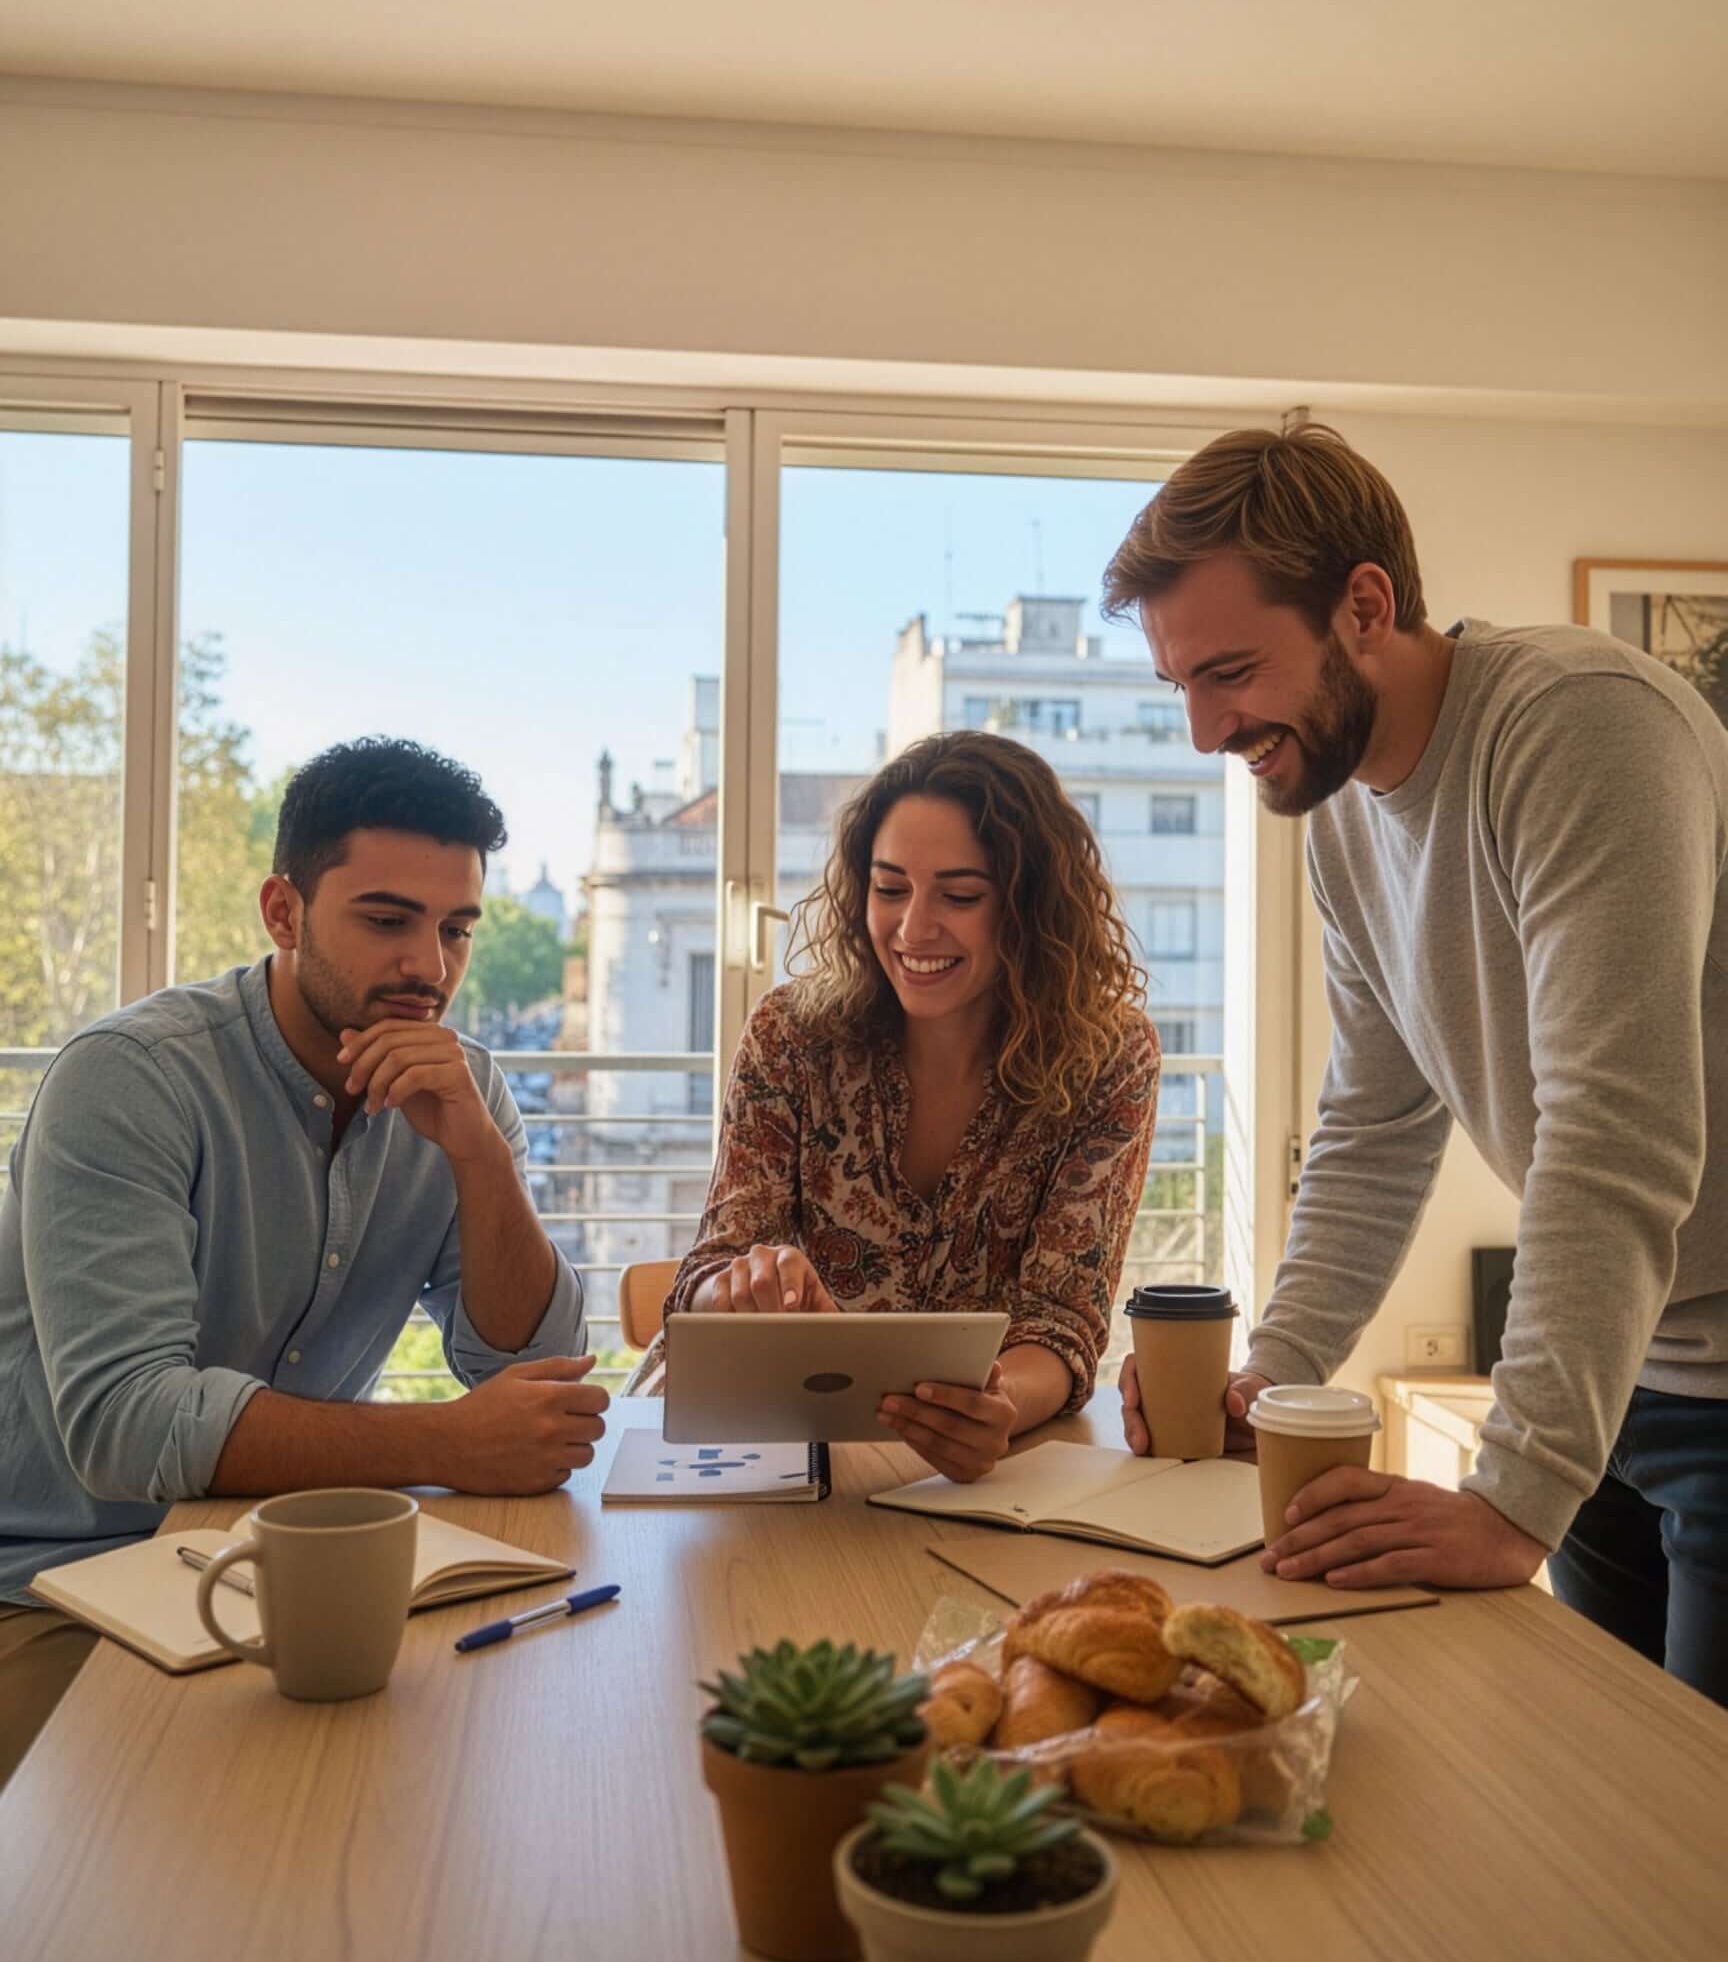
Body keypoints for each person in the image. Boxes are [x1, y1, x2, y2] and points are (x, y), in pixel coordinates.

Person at [1104, 422, 1728, 1705]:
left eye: (1229, 671)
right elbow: (1375, 1129)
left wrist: (1512, 1489)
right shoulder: (1340, 819)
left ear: (1366, 605)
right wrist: (1273, 1372)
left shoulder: (1577, 729)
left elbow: (1617, 1131)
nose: (1205, 730)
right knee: (1608, 1803)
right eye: (1181, 686)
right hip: (1623, 1366)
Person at [0, 738, 607, 1787]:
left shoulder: (463, 1086)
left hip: (291, 1568)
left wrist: (481, 1154)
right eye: (387, 920)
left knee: (504, 1780)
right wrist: (451, 1444)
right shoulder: (131, 1081)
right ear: (284, 913)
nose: (431, 964)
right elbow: (125, 1423)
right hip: (54, 1582)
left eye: (455, 927)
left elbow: (530, 1367)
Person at [632, 732, 1160, 1483]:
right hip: (745, 1448)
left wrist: (1000, 1403)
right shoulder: (792, 1034)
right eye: (889, 889)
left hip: (965, 1474)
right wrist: (739, 1289)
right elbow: (709, 1273)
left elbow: (1063, 1321)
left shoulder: (1109, 1056)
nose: (913, 930)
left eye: (961, 895)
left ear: (1031, 907)